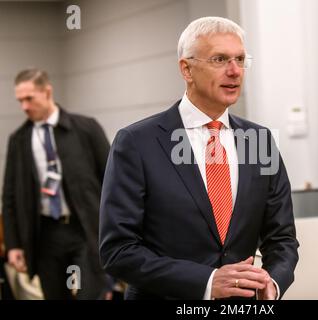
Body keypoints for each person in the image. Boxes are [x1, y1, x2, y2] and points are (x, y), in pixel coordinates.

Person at [99, 16, 299, 300]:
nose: (235, 71)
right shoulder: (136, 143)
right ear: (187, 69)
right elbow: (117, 251)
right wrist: (207, 281)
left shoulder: (260, 141)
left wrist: (273, 282)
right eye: (220, 59)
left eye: (240, 60)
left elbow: (282, 238)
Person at [2, 68, 111, 299]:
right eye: (20, 100)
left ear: (47, 91)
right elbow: (10, 196)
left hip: (85, 230)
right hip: (45, 234)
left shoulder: (86, 128)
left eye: (29, 98)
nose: (24, 106)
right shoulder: (19, 140)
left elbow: (113, 180)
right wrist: (13, 245)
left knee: (90, 293)